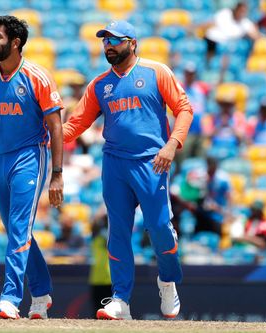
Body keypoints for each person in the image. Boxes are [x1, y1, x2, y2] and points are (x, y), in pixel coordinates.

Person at [63, 20, 193, 320]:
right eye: (105, 41)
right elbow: (76, 125)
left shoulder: (156, 71)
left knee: (159, 228)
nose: (108, 46)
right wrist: (48, 133)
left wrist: (172, 144)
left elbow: (184, 108)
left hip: (153, 161)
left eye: (115, 40)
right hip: (115, 163)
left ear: (132, 43)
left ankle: (168, 280)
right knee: (118, 231)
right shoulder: (100, 84)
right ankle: (120, 298)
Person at [0, 15, 64, 320]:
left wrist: (57, 175)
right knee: (15, 231)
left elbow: (55, 125)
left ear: (15, 42)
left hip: (29, 156)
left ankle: (9, 298)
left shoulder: (37, 76)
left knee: (20, 228)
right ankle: (42, 291)